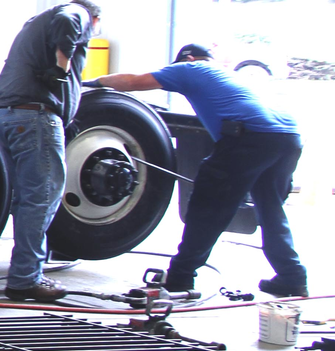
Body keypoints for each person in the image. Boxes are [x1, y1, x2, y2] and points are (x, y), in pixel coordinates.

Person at [92, 44, 306, 296]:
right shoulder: (228, 75)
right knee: (271, 209)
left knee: (209, 206)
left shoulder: (191, 68)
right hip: (288, 137)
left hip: (251, 138)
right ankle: (292, 276)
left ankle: (180, 277)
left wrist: (90, 82)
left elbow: (132, 81)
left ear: (188, 58)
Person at [0, 0, 102, 300]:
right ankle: (26, 279)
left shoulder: (34, 23)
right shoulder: (75, 13)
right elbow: (69, 19)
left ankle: (24, 271)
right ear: (94, 19)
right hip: (35, 115)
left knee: (25, 199)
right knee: (41, 198)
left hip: (7, 114)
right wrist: (61, 68)